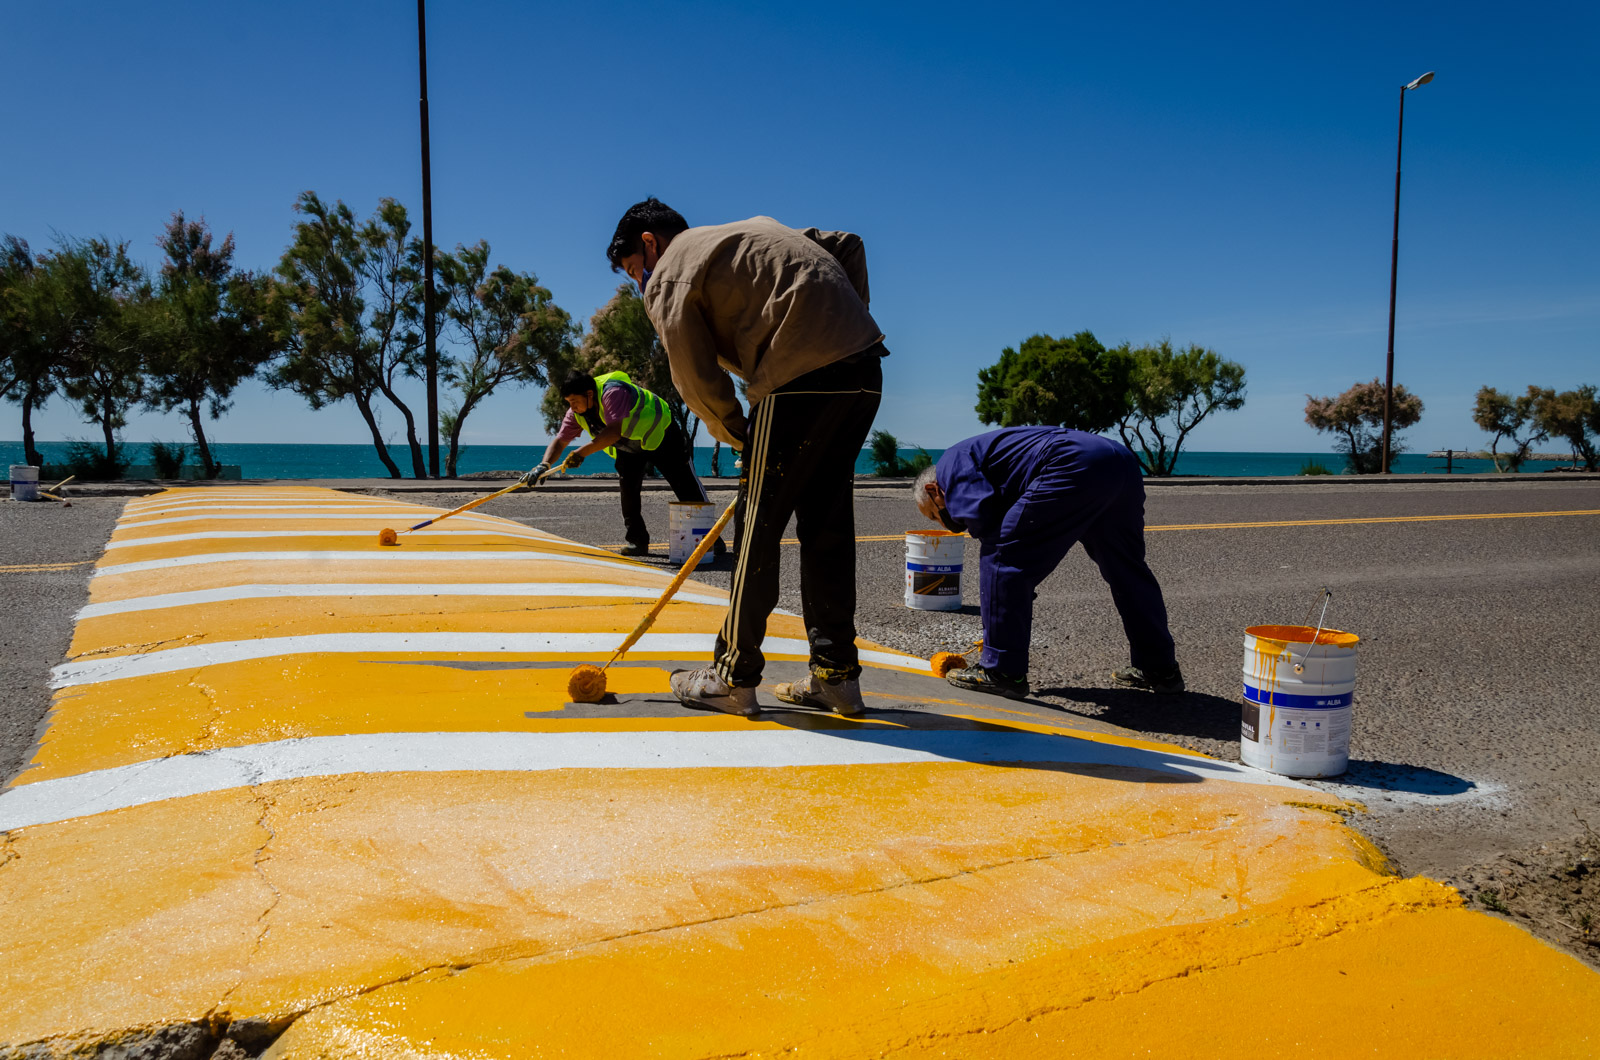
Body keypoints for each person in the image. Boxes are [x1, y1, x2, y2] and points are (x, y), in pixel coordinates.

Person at [606, 197, 886, 717]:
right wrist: (848, 327)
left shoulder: (670, 271)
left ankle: (733, 676)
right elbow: (849, 245)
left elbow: (692, 380)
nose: (638, 283)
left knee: (758, 524)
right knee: (827, 526)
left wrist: (742, 435)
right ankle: (837, 679)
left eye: (631, 271)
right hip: (862, 372)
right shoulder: (750, 231)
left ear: (649, 244)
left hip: (795, 379)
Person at [914, 426, 1183, 699]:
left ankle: (1001, 671)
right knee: (1127, 570)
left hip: (1072, 463)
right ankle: (1160, 668)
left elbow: (983, 516)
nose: (944, 524)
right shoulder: (980, 453)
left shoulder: (951, 462)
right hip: (1121, 463)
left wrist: (1011, 590)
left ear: (933, 489)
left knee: (1001, 558)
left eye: (935, 515)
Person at [526, 369, 723, 559]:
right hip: (629, 445)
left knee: (686, 486)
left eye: (574, 401)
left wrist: (581, 453)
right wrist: (543, 465)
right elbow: (561, 441)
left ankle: (713, 538)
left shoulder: (613, 393)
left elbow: (613, 431)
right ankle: (638, 541)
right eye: (569, 402)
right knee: (628, 489)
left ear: (589, 394)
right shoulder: (576, 413)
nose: (572, 407)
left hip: (661, 434)